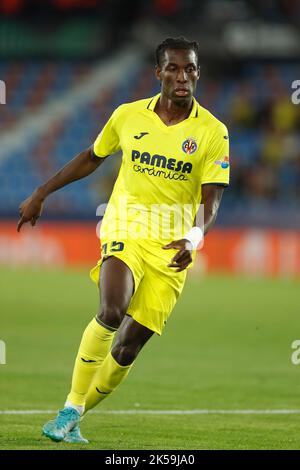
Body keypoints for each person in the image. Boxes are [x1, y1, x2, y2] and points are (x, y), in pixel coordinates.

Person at [17, 37, 230, 444]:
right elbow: (93, 156)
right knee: (112, 310)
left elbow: (212, 198)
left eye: (190, 69)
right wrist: (42, 192)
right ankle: (70, 407)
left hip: (173, 248)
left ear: (198, 73)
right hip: (125, 228)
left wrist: (194, 237)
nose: (182, 77)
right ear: (158, 73)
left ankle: (75, 415)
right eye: (173, 68)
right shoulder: (128, 116)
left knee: (127, 349)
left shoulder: (213, 133)